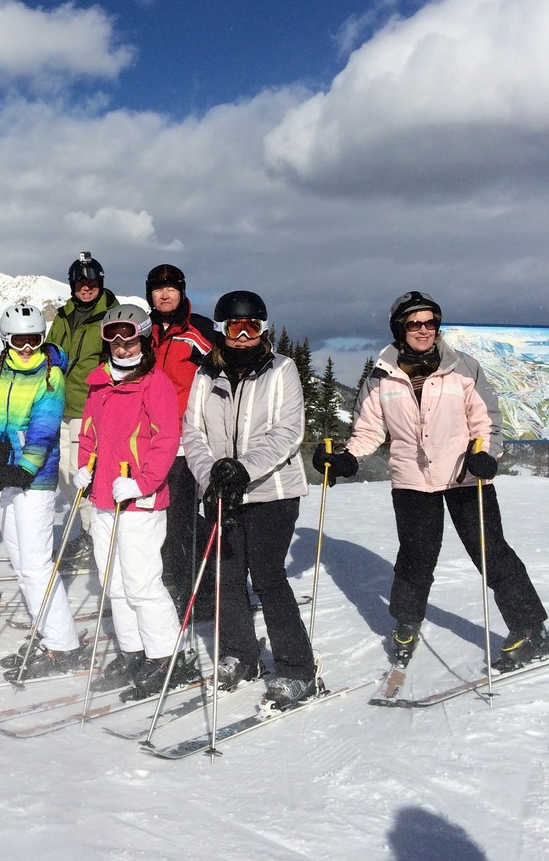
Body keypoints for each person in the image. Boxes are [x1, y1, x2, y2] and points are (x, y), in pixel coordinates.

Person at [314, 290, 548, 670]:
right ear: (399, 328)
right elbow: (368, 430)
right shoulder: (381, 375)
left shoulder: (464, 367)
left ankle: (531, 627)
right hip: (411, 479)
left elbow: (486, 420)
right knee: (416, 558)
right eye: (414, 323)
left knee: (491, 553)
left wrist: (485, 454)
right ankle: (406, 622)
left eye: (431, 322)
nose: (424, 330)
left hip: (465, 475)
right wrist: (348, 459)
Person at [183, 290, 316, 709]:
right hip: (224, 489)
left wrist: (243, 468)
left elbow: (287, 432)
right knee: (225, 575)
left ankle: (297, 669)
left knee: (268, 575)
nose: (243, 335)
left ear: (262, 329)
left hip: (271, 491)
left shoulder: (281, 370)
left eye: (252, 326)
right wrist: (211, 477)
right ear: (221, 331)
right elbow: (193, 433)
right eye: (235, 327)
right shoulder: (205, 375)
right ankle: (241, 653)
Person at [75, 303, 195, 698]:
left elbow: (166, 439)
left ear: (142, 338)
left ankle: (166, 658)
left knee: (142, 583)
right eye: (114, 339)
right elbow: (89, 435)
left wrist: (143, 483)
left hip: (140, 501)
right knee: (113, 583)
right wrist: (84, 469)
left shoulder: (154, 383)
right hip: (105, 498)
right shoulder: (99, 383)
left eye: (129, 339)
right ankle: (134, 651)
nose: (122, 347)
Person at [0, 304, 82, 676]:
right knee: (20, 562)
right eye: (19, 340)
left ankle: (62, 644)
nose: (26, 347)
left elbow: (45, 428)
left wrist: (24, 467)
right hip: (4, 474)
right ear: (6, 338)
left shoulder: (50, 376)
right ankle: (48, 629)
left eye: (34, 339)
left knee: (36, 563)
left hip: (36, 479)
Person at [145, 263, 215, 607]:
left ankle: (204, 588)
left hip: (190, 442)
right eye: (159, 289)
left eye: (172, 288)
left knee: (184, 518)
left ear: (182, 291)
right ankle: (173, 579)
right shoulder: (144, 331)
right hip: (155, 441)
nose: (165, 294)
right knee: (164, 518)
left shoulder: (198, 330)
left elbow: (223, 374)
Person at [46, 252, 118, 566]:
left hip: (89, 406)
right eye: (80, 282)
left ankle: (93, 534)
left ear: (100, 283)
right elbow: (50, 351)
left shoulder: (111, 314)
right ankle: (87, 530)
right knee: (64, 475)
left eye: (91, 282)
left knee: (82, 473)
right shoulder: (64, 314)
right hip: (61, 405)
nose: (86, 288)